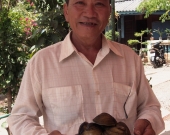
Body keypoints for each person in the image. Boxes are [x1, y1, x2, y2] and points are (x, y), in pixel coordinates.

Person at [7, 0, 165, 135]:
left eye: (98, 4)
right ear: (66, 11)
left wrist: (148, 121)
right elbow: (21, 117)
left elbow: (149, 106)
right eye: (80, 3)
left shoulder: (130, 60)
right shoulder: (41, 62)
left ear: (109, 11)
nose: (90, 13)